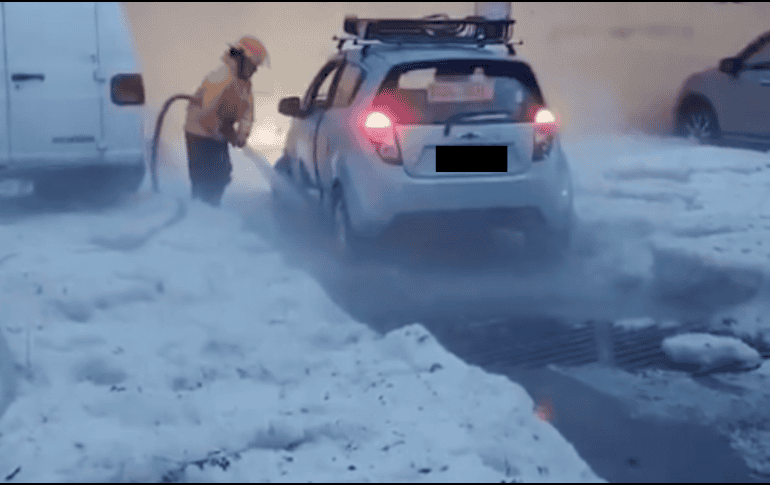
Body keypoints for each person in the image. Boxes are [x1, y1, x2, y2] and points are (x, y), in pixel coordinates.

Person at [184, 36, 269, 206]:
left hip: (218, 132)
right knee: (206, 176)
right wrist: (222, 131)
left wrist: (242, 134)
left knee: (222, 173)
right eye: (253, 66)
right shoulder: (221, 77)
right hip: (200, 133)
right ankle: (200, 210)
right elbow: (207, 112)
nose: (255, 70)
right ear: (241, 58)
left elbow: (247, 111)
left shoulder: (244, 84)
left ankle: (212, 207)